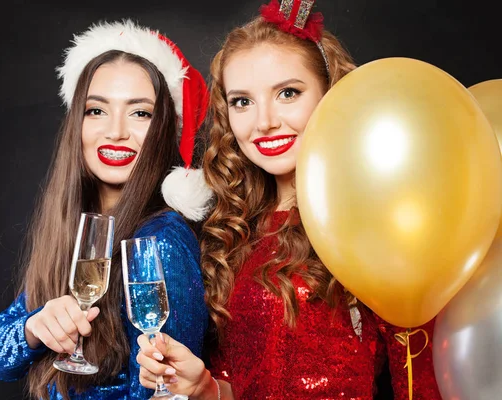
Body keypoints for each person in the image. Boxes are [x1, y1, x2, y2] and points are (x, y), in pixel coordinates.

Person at [135, 1, 443, 399]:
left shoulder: (379, 225)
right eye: (242, 101)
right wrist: (206, 388)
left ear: (331, 94)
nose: (264, 121)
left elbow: (421, 384)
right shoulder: (233, 231)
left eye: (287, 93)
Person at [0, 19, 212, 399]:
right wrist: (35, 328)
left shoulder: (161, 240)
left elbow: (166, 390)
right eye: (96, 111)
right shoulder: (72, 231)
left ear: (165, 129)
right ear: (78, 124)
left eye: (140, 113)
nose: (115, 131)